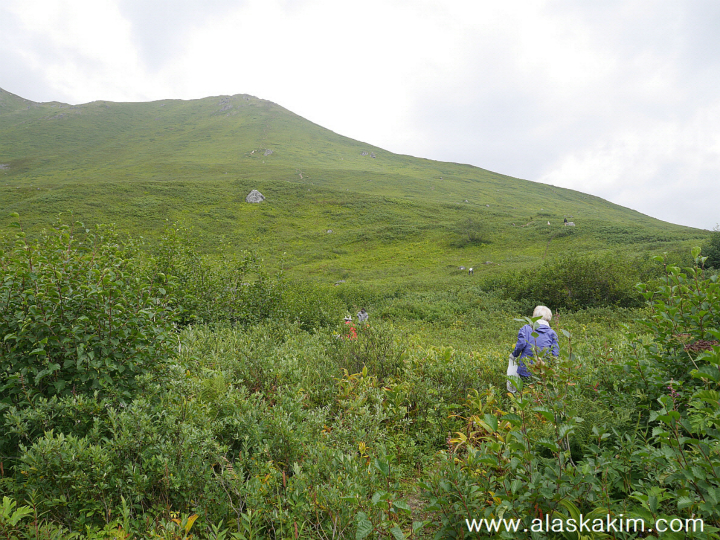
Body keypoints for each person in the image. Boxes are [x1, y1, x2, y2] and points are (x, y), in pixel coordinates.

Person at [511, 305, 559, 382]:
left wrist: (514, 355)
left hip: (526, 368)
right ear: (548, 319)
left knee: (525, 387)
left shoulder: (526, 328)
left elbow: (521, 344)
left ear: (534, 317)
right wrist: (552, 368)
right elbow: (555, 352)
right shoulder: (552, 333)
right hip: (544, 370)